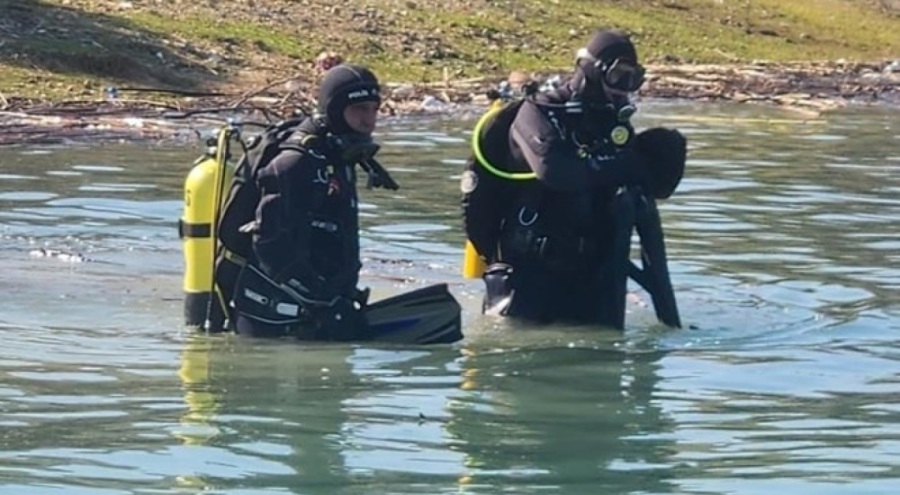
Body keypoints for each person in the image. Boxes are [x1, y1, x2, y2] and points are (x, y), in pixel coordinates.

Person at [461, 29, 687, 326]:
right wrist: (623, 165)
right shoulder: (539, 113)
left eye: (634, 79)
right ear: (591, 70)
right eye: (618, 76)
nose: (624, 89)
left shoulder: (613, 126)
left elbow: (650, 191)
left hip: (590, 274)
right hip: (529, 275)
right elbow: (554, 172)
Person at [222, 63, 388, 340]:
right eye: (360, 109)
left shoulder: (339, 157)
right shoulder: (295, 163)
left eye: (374, 109)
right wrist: (322, 300)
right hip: (274, 320)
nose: (369, 120)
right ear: (335, 110)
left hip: (318, 312)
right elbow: (270, 246)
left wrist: (342, 296)